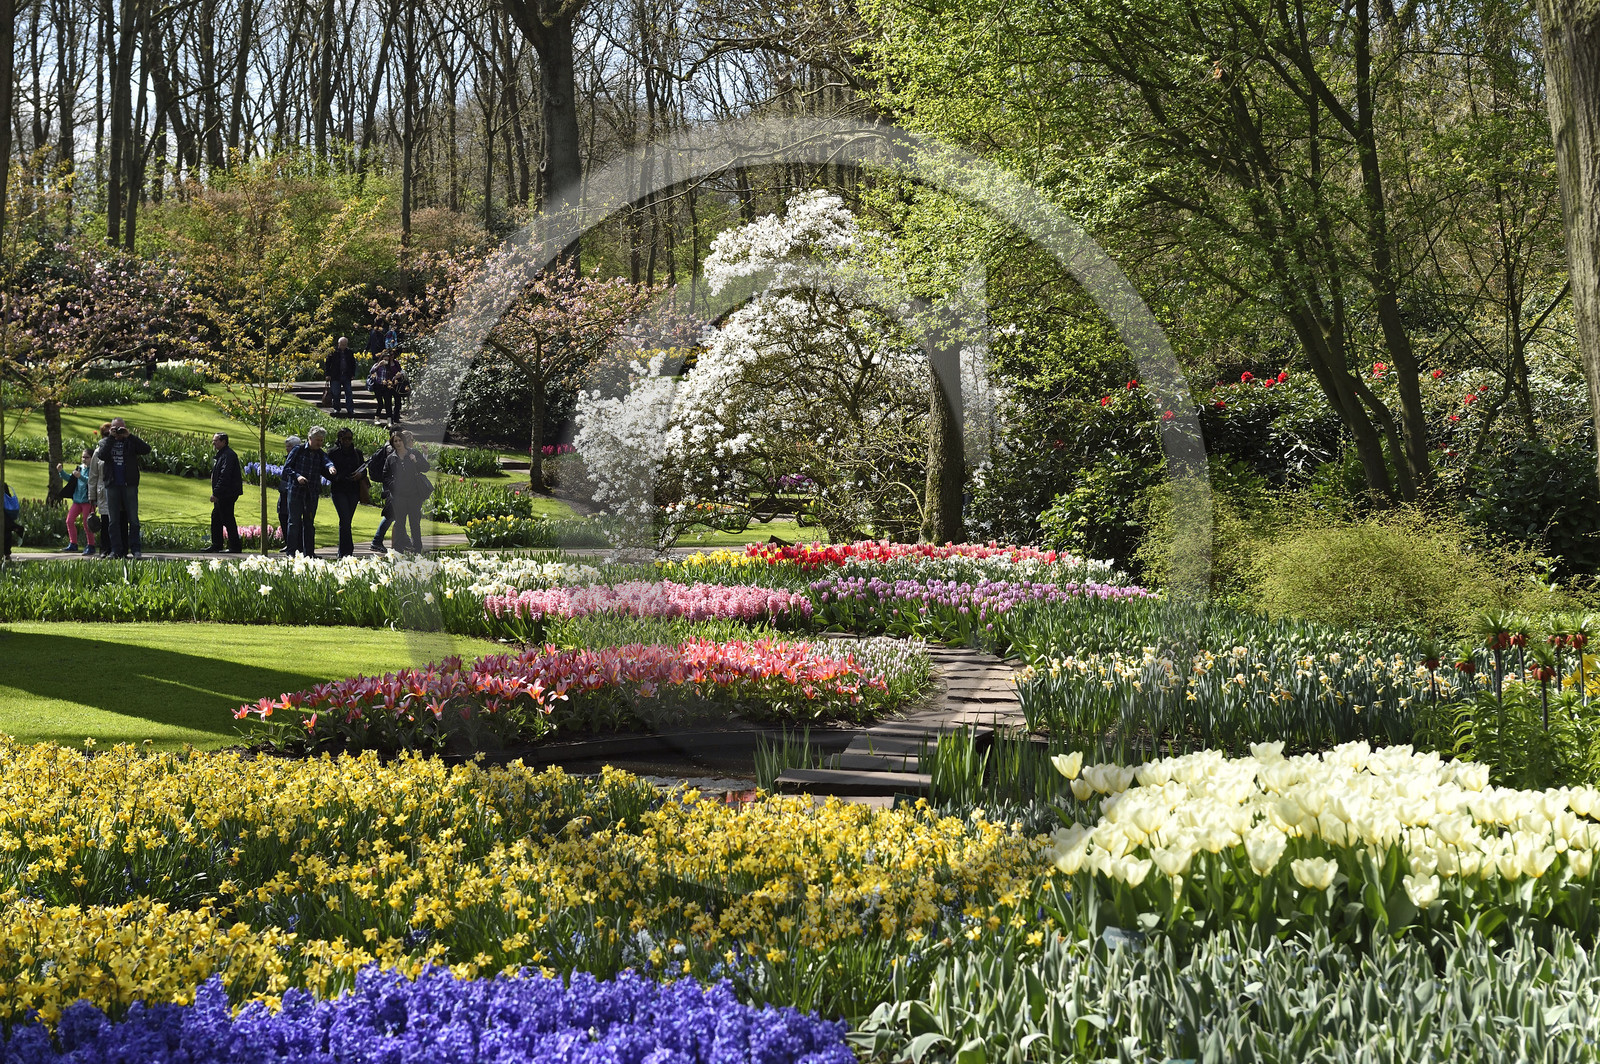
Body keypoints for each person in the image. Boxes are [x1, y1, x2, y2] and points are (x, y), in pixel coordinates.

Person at [95, 417, 151, 559]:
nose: (119, 431)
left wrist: (129, 436)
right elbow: (102, 455)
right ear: (111, 429)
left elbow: (146, 449)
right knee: (113, 520)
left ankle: (136, 549)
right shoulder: (105, 442)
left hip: (129, 485)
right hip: (112, 485)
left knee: (133, 519)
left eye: (121, 428)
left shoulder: (130, 442)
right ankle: (116, 550)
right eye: (116, 428)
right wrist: (111, 438)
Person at [282, 428, 334, 557]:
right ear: (310, 438)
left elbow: (327, 461)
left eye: (321, 440)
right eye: (317, 440)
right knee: (294, 523)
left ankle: (309, 554)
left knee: (309, 524)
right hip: (296, 491)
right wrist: (298, 476)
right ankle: (291, 552)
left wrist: (331, 467)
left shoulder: (320, 454)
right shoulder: (298, 450)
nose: (319, 443)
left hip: (312, 493)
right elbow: (287, 468)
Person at [381, 429, 430, 553]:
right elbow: (385, 476)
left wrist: (415, 460)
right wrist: (393, 486)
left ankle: (417, 550)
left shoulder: (414, 453)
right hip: (399, 496)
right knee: (400, 523)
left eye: (399, 440)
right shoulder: (391, 458)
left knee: (415, 523)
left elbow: (425, 468)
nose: (398, 443)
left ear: (403, 441)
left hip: (414, 495)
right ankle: (398, 551)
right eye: (395, 441)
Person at [325, 428, 367, 558]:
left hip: (353, 489)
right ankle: (345, 551)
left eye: (350, 438)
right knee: (344, 519)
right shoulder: (333, 453)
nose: (347, 441)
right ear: (340, 439)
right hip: (339, 489)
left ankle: (346, 550)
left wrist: (359, 475)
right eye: (345, 439)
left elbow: (364, 469)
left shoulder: (357, 453)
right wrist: (337, 477)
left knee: (347, 520)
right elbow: (326, 470)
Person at [208, 433, 244, 553]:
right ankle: (217, 545)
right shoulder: (223, 455)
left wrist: (216, 493)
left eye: (216, 441)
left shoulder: (228, 455)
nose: (213, 443)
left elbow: (225, 476)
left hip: (227, 493)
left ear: (224, 442)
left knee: (227, 518)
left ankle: (234, 546)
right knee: (217, 518)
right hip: (225, 492)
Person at [57, 451, 96, 554]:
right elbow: (70, 479)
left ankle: (91, 545)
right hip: (77, 500)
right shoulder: (79, 468)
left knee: (87, 523)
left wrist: (80, 477)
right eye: (83, 457)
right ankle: (73, 544)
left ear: (92, 458)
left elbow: (92, 481)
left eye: (86, 457)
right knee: (69, 520)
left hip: (88, 501)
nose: (84, 459)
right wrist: (61, 472)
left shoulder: (94, 469)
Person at [85, 422, 112, 557]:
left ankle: (117, 549)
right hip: (103, 492)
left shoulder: (119, 449)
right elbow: (93, 476)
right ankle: (105, 549)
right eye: (106, 434)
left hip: (117, 491)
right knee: (105, 522)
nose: (109, 436)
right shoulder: (97, 452)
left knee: (117, 522)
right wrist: (92, 496)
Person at [365, 434, 396, 551]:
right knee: (391, 514)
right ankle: (376, 541)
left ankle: (404, 541)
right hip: (391, 486)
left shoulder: (393, 448)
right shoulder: (391, 449)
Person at [277, 435, 301, 551]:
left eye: (289, 446)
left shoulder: (299, 459)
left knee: (293, 518)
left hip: (293, 491)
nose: (287, 449)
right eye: (286, 446)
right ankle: (289, 543)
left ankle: (296, 545)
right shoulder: (288, 458)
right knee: (282, 515)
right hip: (284, 491)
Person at [326, 336, 358, 418]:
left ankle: (350, 410)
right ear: (338, 344)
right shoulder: (333, 352)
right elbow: (327, 363)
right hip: (335, 375)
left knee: (349, 393)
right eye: (342, 344)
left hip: (346, 375)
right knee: (336, 393)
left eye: (345, 344)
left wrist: (352, 374)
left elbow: (353, 364)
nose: (343, 346)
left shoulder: (349, 352)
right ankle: (337, 409)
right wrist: (327, 374)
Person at [1, 482, 18, 560]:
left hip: (4, 516)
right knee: (7, 532)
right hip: (6, 516)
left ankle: (7, 552)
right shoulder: (3, 485)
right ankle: (7, 553)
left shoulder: (3, 485)